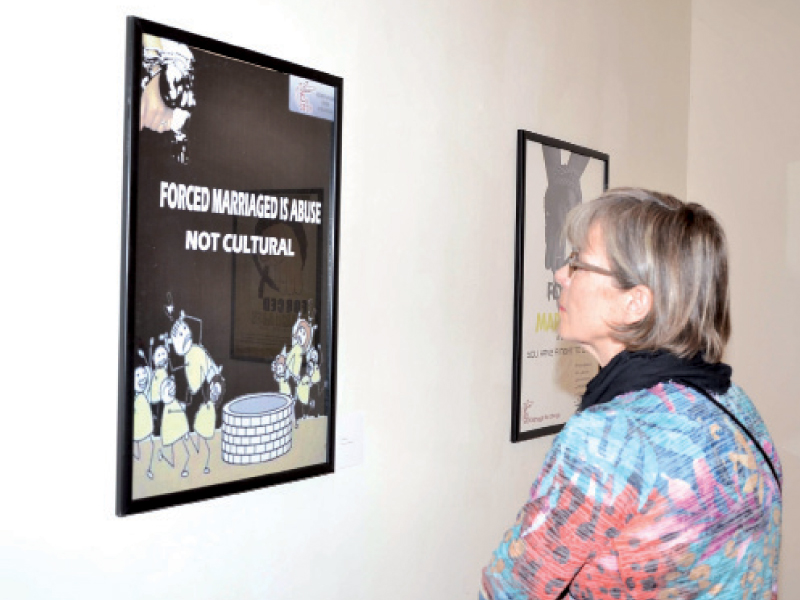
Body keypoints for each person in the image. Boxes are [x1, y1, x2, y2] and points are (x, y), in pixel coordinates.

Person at [481, 188, 782, 599]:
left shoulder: (607, 437)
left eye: (577, 263)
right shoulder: (736, 406)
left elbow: (509, 590)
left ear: (634, 304)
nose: (560, 275)